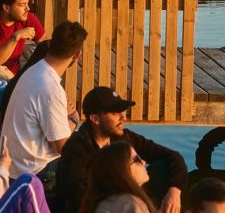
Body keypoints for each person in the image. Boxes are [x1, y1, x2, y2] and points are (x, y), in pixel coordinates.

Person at [56, 87, 187, 213]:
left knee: (162, 166)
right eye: (114, 113)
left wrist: (174, 191)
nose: (123, 117)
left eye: (122, 111)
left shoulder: (124, 137)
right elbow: (80, 196)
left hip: (128, 201)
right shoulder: (75, 149)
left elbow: (173, 156)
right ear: (95, 119)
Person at [1, 21, 86, 179]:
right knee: (90, 160)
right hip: (32, 171)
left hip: (13, 165)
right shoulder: (51, 88)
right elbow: (62, 148)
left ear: (50, 45)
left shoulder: (34, 70)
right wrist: (73, 120)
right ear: (77, 55)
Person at [78, 142, 156, 213]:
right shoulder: (130, 204)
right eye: (137, 159)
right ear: (120, 169)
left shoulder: (97, 205)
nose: (143, 162)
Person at [0, 0, 46, 75]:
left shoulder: (27, 18)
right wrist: (15, 36)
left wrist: (31, 69)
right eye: (22, 5)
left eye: (27, 4)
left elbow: (44, 44)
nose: (27, 8)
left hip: (16, 75)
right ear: (6, 7)